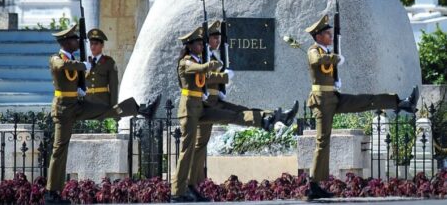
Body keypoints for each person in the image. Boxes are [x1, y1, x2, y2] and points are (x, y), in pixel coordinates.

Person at [171, 26, 299, 202]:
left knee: (233, 115)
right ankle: (177, 192)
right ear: (189, 45)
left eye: (203, 43)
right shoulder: (186, 61)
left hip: (202, 108)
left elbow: (205, 74)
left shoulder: (200, 59)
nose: (202, 45)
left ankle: (269, 118)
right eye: (199, 43)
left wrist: (216, 70)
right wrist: (215, 70)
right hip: (190, 110)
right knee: (187, 150)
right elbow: (198, 70)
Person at [304, 14, 419, 200]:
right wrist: (334, 58)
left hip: (333, 97)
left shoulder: (324, 50)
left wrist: (336, 79)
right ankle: (313, 185)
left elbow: (326, 69)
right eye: (327, 33)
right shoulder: (314, 50)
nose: (330, 36)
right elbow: (317, 61)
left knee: (366, 100)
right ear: (318, 36)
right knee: (322, 141)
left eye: (330, 33)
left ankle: (401, 103)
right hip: (322, 102)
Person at [45, 25, 156, 204]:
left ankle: (140, 109)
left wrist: (81, 88)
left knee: (109, 110)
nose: (79, 42)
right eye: (74, 39)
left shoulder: (78, 58)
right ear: (66, 42)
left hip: (77, 105)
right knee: (60, 149)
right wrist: (84, 65)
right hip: (64, 109)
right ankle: (51, 193)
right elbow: (62, 66)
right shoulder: (57, 58)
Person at [85, 28, 118, 107]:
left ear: (102, 45)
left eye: (96, 44)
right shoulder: (85, 62)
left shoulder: (109, 62)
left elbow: (113, 86)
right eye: (91, 44)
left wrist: (113, 106)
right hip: (87, 103)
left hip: (102, 102)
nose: (93, 46)